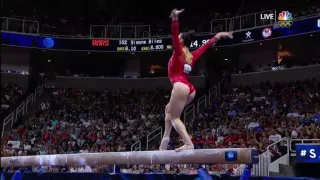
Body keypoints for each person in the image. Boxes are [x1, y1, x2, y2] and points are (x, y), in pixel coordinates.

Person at [159, 9, 233, 152]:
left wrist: (175, 19)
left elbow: (174, 34)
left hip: (180, 86)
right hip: (190, 90)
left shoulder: (178, 51)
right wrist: (220, 35)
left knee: (174, 118)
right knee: (168, 109)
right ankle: (165, 138)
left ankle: (188, 143)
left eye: (178, 39)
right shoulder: (193, 55)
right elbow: (207, 45)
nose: (177, 40)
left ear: (180, 41)